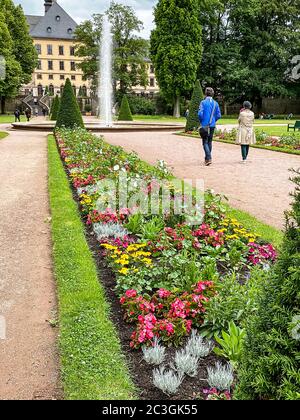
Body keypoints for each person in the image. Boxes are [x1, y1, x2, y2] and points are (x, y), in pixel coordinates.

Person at [198, 87, 222, 166]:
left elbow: (200, 114)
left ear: (205, 93)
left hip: (205, 125)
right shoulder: (216, 103)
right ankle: (207, 159)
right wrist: (213, 121)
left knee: (205, 142)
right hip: (212, 125)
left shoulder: (203, 102)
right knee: (210, 141)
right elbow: (219, 115)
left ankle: (208, 158)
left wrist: (202, 121)